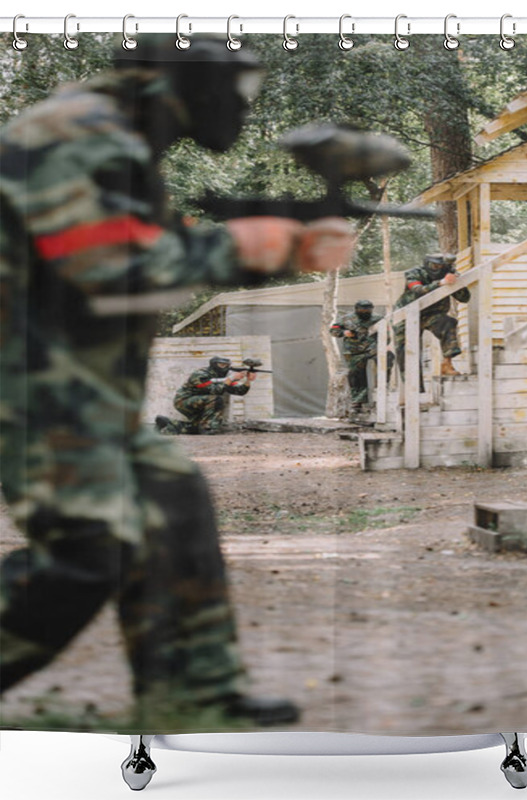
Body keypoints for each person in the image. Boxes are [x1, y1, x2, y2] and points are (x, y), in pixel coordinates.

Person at [0, 35, 354, 729]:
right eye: (236, 90)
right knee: (83, 551)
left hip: (72, 389)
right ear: (182, 85)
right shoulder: (79, 133)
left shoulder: (117, 141)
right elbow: (110, 267)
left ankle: (195, 693)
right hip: (31, 388)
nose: (241, 109)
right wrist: (258, 245)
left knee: (172, 495)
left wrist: (254, 237)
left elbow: (138, 247)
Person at [393, 253, 471, 380]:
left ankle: (447, 363)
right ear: (427, 264)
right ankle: (411, 388)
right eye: (435, 265)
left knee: (448, 322)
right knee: (406, 351)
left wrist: (457, 283)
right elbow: (418, 290)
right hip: (406, 315)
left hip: (432, 314)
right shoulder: (414, 273)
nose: (438, 269)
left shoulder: (449, 273)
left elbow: (465, 298)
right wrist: (441, 283)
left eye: (441, 266)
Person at [156, 356, 255, 434]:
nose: (224, 367)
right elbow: (215, 390)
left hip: (204, 403)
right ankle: (208, 428)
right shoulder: (201, 374)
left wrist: (248, 381)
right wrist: (230, 379)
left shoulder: (224, 377)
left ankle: (168, 424)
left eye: (226, 365)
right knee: (217, 399)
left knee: (195, 427)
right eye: (221, 364)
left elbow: (240, 391)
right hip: (184, 401)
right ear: (213, 364)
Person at [330, 300, 395, 414]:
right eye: (362, 309)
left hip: (373, 349)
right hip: (354, 351)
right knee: (356, 375)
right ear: (356, 309)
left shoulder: (378, 318)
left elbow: (387, 333)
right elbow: (333, 330)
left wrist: (385, 345)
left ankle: (382, 390)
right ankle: (358, 402)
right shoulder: (346, 319)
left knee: (387, 359)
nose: (365, 312)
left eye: (367, 310)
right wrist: (344, 332)